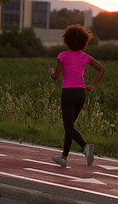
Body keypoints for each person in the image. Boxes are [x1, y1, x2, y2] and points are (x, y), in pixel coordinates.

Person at [48, 24, 105, 167]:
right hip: (81, 93)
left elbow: (56, 76)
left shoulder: (62, 56)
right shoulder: (85, 57)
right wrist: (92, 85)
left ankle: (85, 147)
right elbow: (102, 69)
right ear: (84, 42)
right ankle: (64, 157)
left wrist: (50, 73)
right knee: (70, 127)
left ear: (67, 40)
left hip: (69, 92)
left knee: (68, 127)